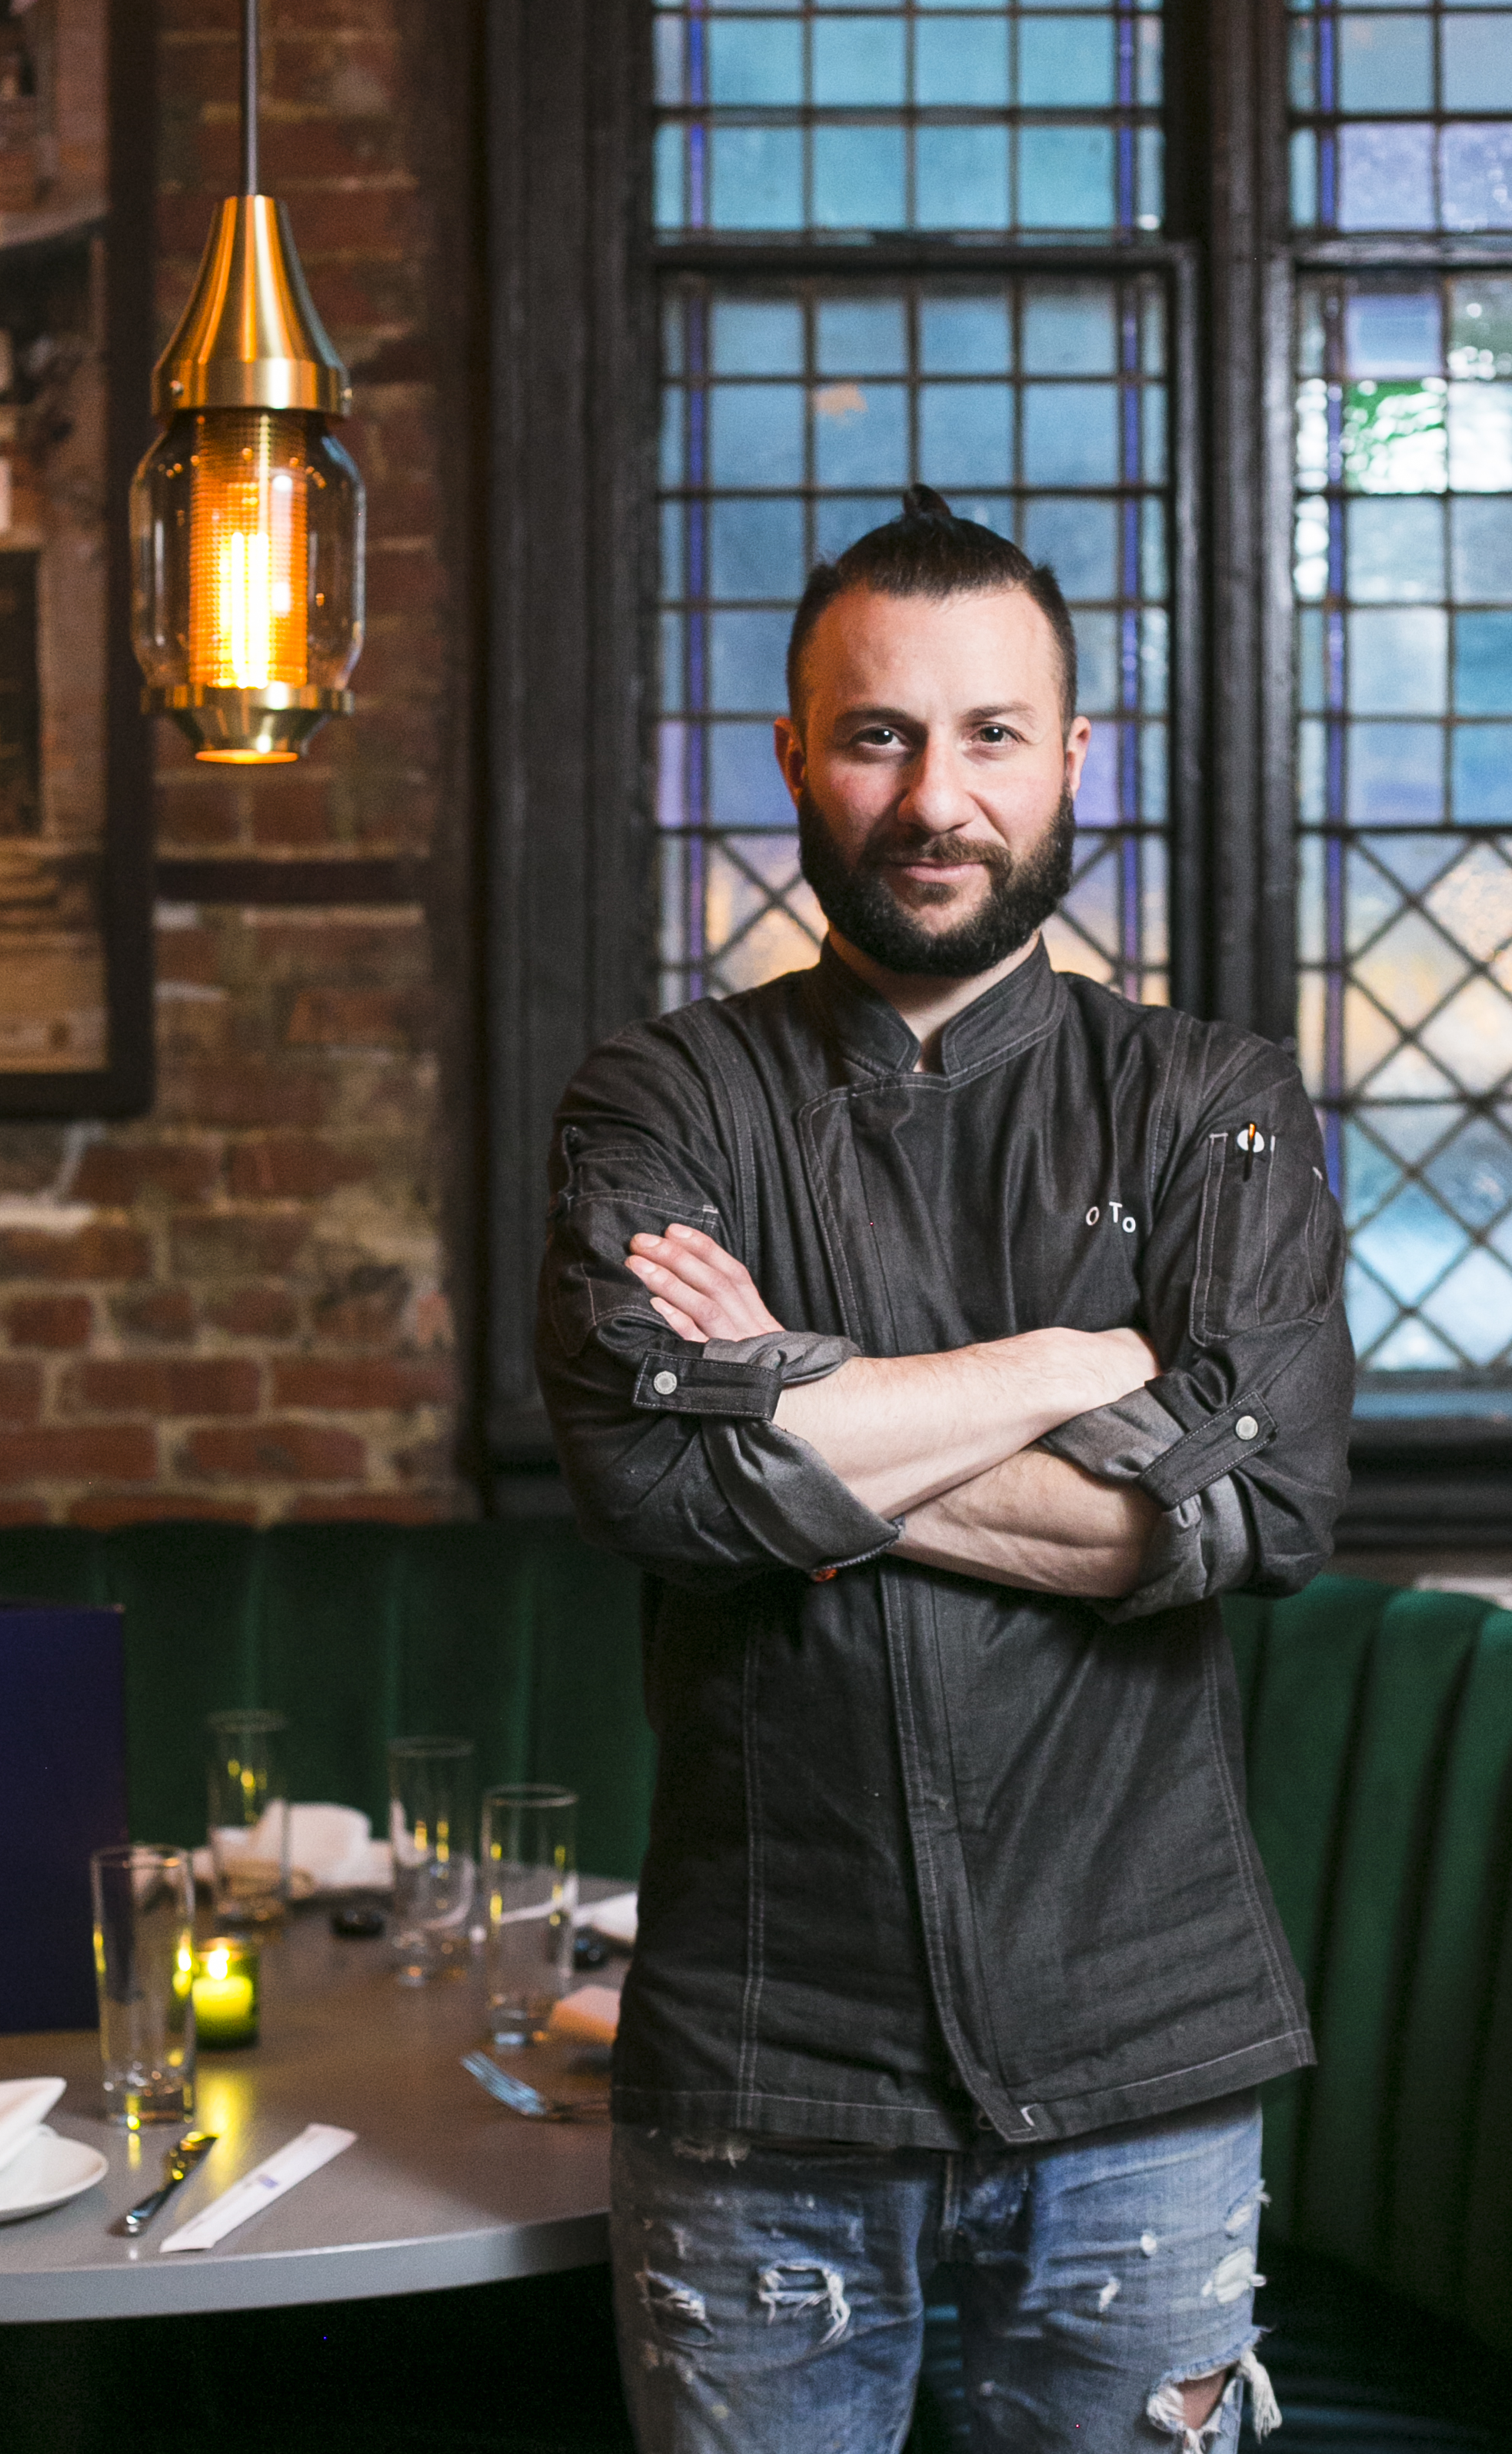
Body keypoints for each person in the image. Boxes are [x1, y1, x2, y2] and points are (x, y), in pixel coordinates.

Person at [536, 487, 1353, 2453]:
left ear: (1072, 757)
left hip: (1144, 2060)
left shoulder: (1208, 1098)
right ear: (793, 755)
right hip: (762, 2072)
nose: (934, 797)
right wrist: (1081, 1364)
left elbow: (1251, 1507)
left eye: (990, 733)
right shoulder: (662, 1096)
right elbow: (653, 1477)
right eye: (878, 734)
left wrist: (784, 1390)